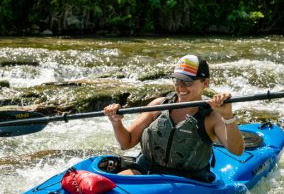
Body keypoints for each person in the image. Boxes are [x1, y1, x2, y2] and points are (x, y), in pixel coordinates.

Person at [104, 54, 245, 181]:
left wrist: (227, 116)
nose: (181, 87)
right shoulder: (158, 105)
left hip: (187, 182)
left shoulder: (212, 116)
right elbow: (126, 143)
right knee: (112, 187)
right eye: (177, 80)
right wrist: (116, 122)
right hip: (147, 171)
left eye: (188, 82)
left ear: (205, 83)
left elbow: (237, 150)